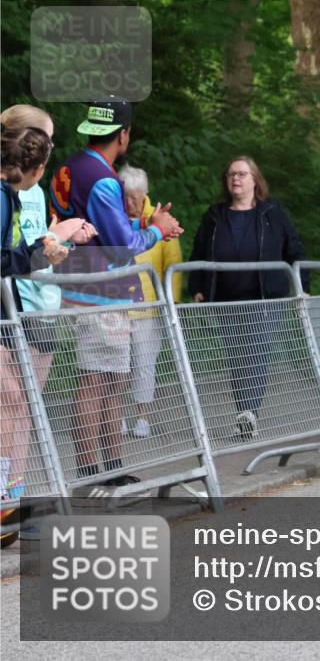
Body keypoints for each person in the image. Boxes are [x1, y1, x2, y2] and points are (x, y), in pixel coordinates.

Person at [50, 98, 182, 487]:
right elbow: (123, 246)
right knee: (97, 381)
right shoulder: (104, 179)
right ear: (123, 135)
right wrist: (157, 228)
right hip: (100, 292)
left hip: (81, 286)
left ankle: (110, 466)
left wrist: (149, 223)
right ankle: (94, 471)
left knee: (111, 380)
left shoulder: (69, 166)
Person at [1, 120, 91, 508]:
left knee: (17, 403)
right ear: (37, 171)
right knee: (11, 401)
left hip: (19, 312)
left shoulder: (9, 195)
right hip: (12, 312)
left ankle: (8, 494)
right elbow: (5, 259)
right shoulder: (5, 197)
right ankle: (5, 496)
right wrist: (45, 251)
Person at [188, 156, 308, 440]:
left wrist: (302, 286)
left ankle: (249, 411)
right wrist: (198, 287)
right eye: (231, 174)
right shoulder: (215, 215)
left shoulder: (272, 213)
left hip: (266, 298)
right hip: (227, 299)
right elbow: (199, 252)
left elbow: (295, 250)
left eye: (242, 174)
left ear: (255, 179)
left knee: (257, 353)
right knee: (238, 357)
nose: (235, 179)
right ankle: (244, 411)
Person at [120, 165, 183, 438]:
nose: (129, 203)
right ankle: (116, 415)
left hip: (149, 306)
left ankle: (143, 417)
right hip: (118, 304)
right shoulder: (116, 218)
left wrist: (172, 303)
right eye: (126, 196)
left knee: (145, 364)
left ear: (145, 194)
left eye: (135, 197)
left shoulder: (162, 220)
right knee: (119, 364)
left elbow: (173, 264)